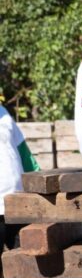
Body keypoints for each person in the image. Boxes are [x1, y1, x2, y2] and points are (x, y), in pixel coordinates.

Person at [0, 106, 39, 252]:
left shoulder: (2, 113)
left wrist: (38, 182)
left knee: (27, 261)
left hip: (19, 202)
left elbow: (23, 152)